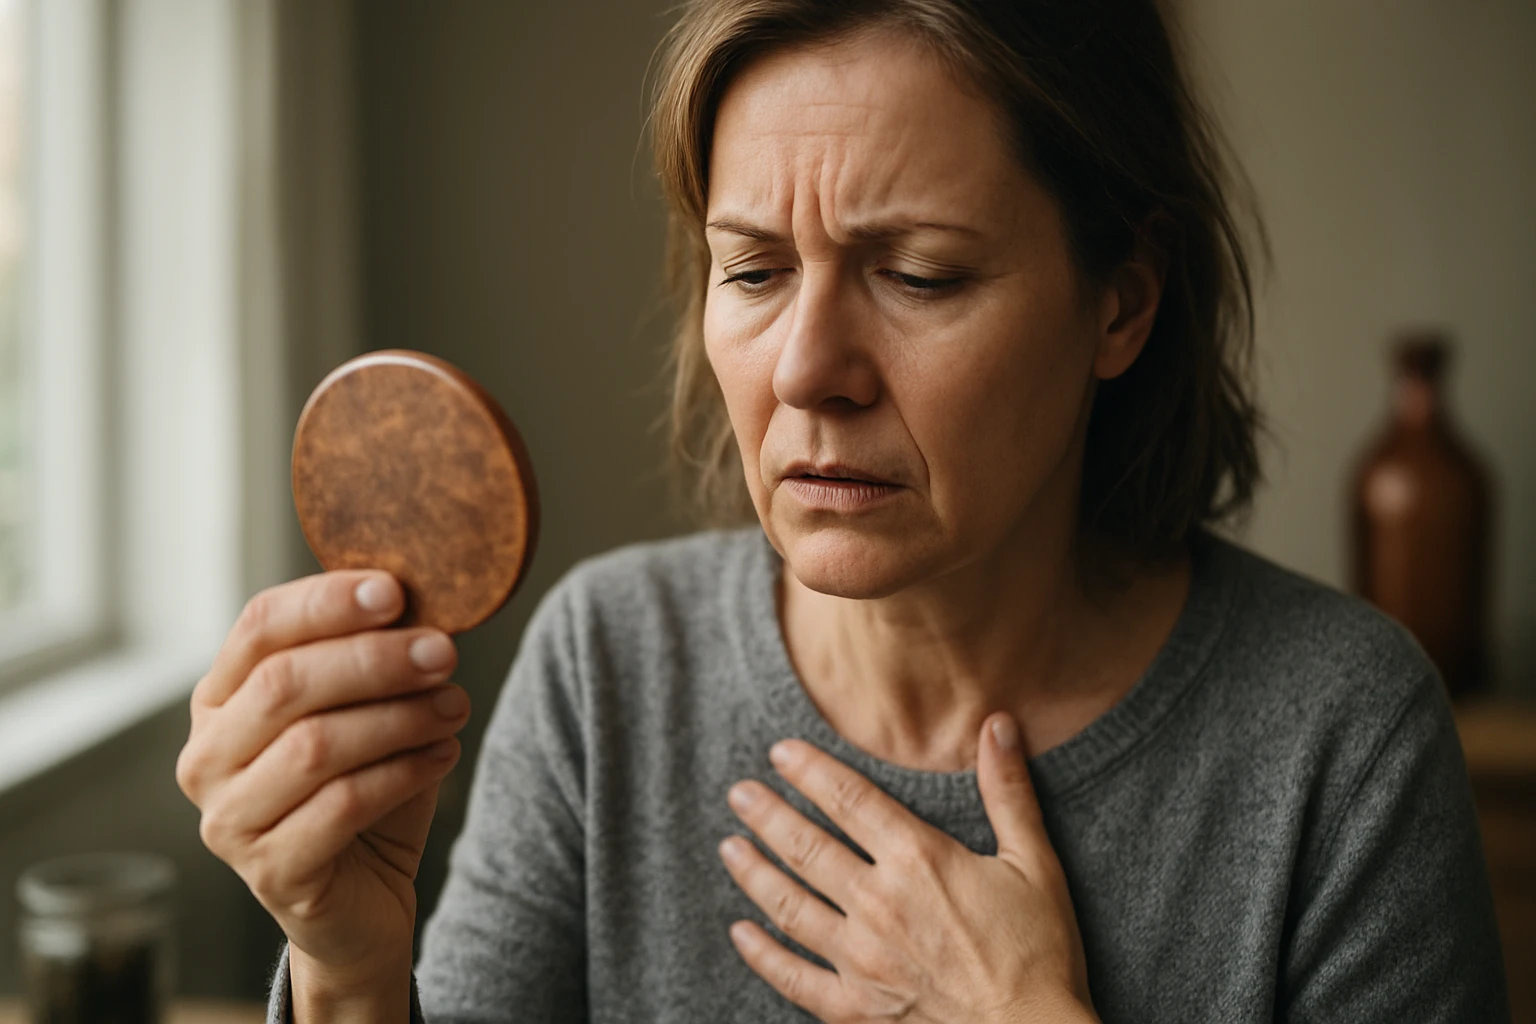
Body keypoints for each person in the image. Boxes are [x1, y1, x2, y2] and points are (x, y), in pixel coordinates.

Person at [175, 1, 1510, 1021]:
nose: (806, 369)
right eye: (753, 271)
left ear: (1122, 300)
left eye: (920, 274)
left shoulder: (1341, 741)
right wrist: (351, 971)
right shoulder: (609, 667)